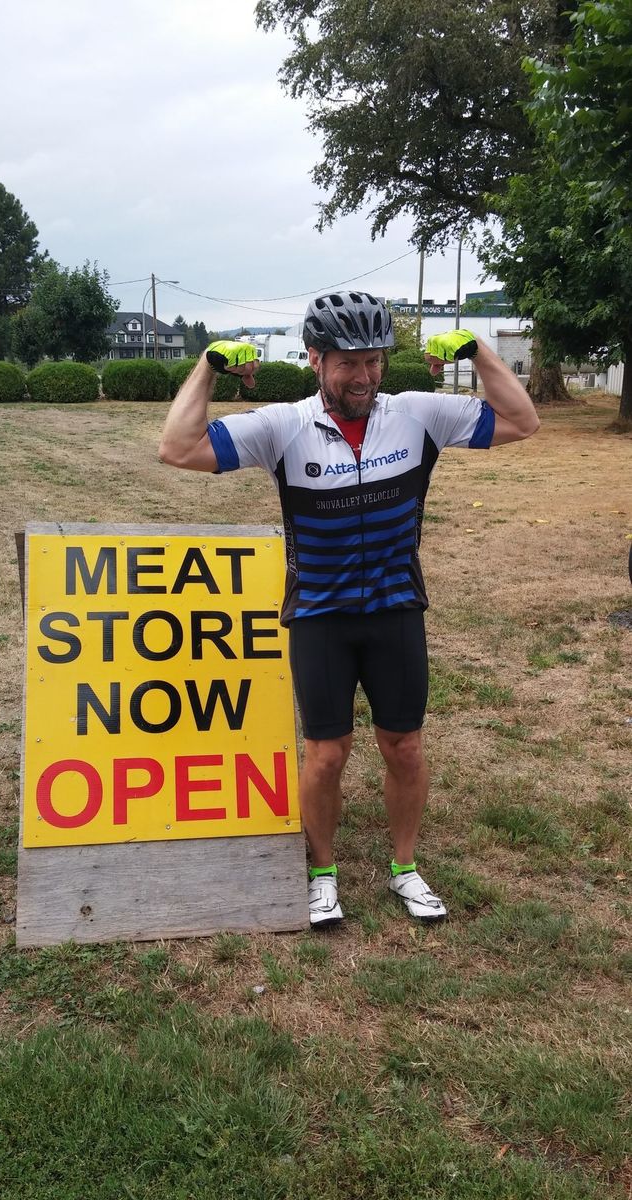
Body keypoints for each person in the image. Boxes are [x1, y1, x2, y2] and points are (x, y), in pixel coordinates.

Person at [159, 291, 539, 929]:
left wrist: (476, 352)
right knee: (326, 754)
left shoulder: (417, 415)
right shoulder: (284, 426)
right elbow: (177, 447)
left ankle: (404, 866)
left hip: (395, 609)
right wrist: (208, 366)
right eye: (347, 363)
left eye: (373, 361)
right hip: (320, 616)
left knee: (405, 747)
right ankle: (323, 873)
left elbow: (522, 420)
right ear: (315, 359)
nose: (363, 377)